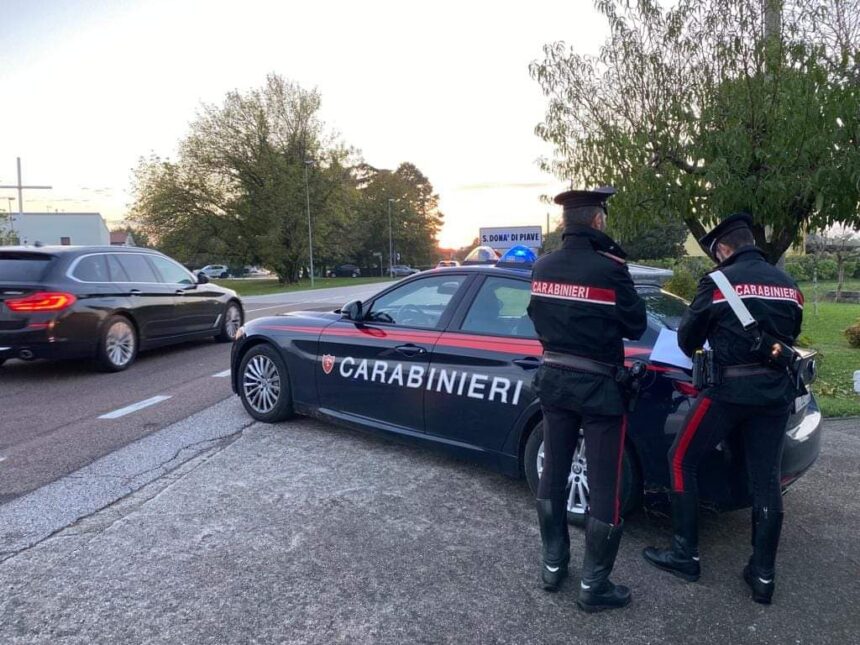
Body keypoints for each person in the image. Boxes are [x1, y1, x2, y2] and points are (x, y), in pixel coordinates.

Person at [642, 213, 804, 604]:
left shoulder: (718, 283)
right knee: (766, 478)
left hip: (728, 391)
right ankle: (763, 576)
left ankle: (685, 554)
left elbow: (687, 339)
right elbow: (791, 334)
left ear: (724, 249)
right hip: (776, 394)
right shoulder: (790, 285)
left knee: (681, 458)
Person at [527, 186, 647, 613]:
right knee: (604, 485)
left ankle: (553, 565)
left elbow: (535, 316)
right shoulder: (610, 269)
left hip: (554, 383)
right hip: (600, 391)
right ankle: (594, 585)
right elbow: (636, 325)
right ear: (597, 221)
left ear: (566, 223)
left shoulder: (543, 266)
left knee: (554, 472)